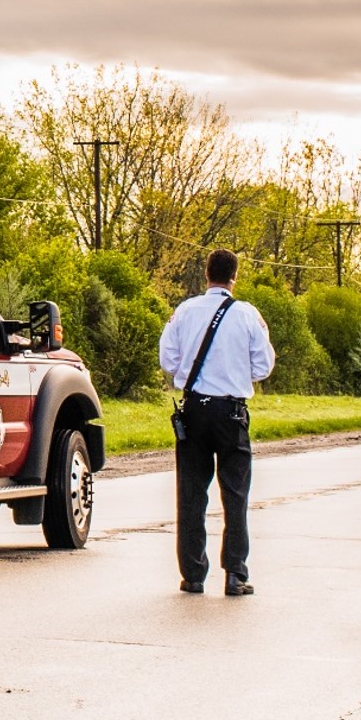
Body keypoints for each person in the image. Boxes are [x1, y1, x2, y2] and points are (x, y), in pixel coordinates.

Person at [157, 250, 275, 596]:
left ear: (206, 274)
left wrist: (186, 375)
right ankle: (235, 574)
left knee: (192, 494)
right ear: (233, 277)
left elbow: (168, 357)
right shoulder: (248, 315)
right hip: (231, 412)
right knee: (235, 494)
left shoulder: (184, 311)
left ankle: (193, 574)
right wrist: (238, 375)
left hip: (194, 410)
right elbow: (263, 365)